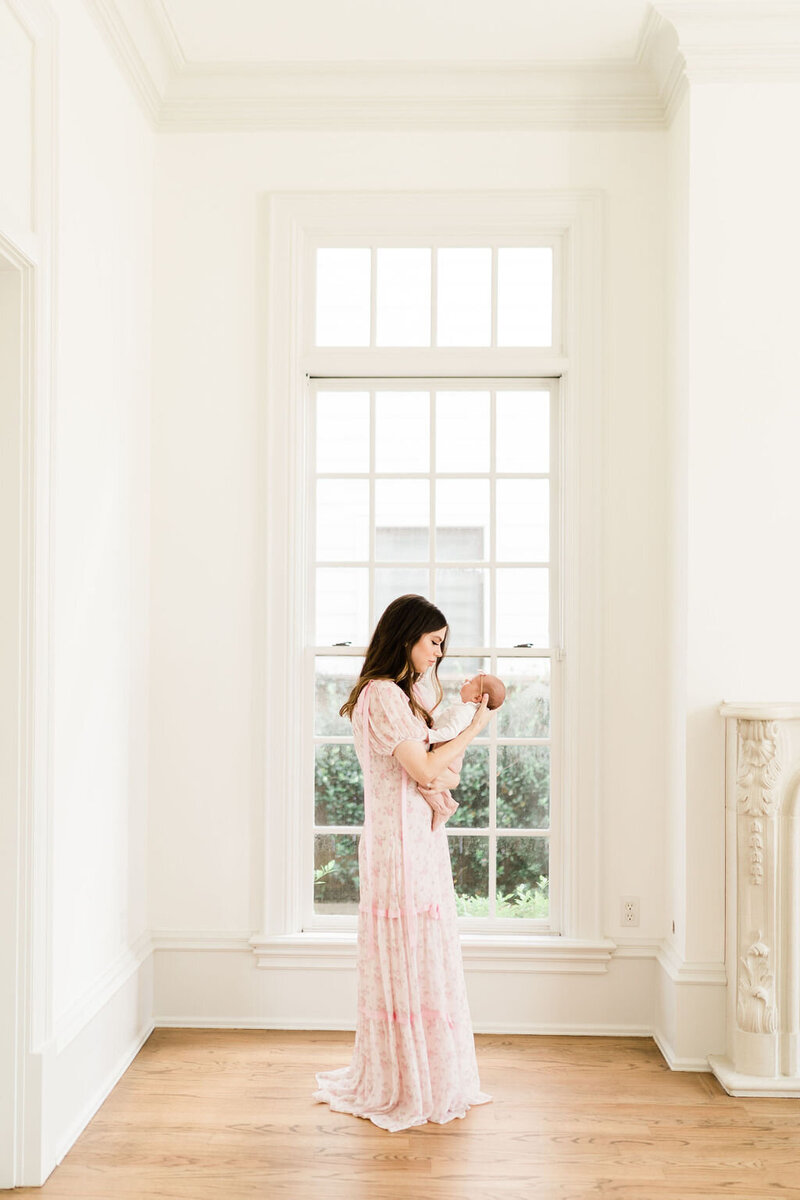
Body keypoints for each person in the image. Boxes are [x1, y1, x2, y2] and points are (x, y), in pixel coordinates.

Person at [311, 594, 495, 1131]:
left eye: (442, 644)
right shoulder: (384, 696)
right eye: (433, 642)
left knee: (422, 958)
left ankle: (423, 1076)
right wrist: (472, 731)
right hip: (400, 847)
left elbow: (442, 771)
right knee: (407, 959)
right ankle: (407, 1081)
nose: (439, 653)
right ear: (406, 637)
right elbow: (425, 765)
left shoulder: (405, 698)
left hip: (418, 841)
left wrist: (444, 750)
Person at [417, 670, 507, 831]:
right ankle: (444, 805)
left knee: (430, 786)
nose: (465, 680)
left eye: (470, 682)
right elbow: (443, 720)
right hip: (443, 751)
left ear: (477, 698)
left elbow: (450, 731)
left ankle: (445, 808)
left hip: (450, 759)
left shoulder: (465, 712)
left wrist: (429, 735)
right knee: (432, 785)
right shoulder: (462, 708)